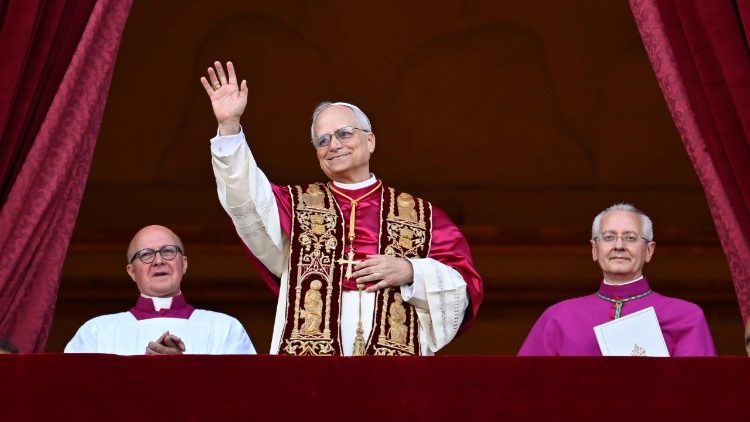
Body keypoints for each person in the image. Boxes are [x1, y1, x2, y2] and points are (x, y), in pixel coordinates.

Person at [201, 61, 483, 356]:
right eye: (322, 140)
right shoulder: (294, 206)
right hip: (310, 372)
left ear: (370, 141)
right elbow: (245, 196)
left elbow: (463, 287)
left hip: (392, 371)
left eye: (344, 133)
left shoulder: (422, 216)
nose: (334, 145)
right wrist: (229, 126)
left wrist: (412, 271)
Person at [518, 203, 716, 356]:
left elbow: (701, 389)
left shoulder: (686, 317)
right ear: (594, 249)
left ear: (649, 251)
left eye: (630, 238)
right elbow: (525, 385)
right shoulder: (558, 317)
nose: (619, 246)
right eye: (608, 237)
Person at [65, 225, 255, 355]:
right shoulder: (97, 332)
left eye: (168, 251)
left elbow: (243, 392)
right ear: (132, 271)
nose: (158, 261)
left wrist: (184, 371)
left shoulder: (225, 329)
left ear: (184, 264)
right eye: (146, 254)